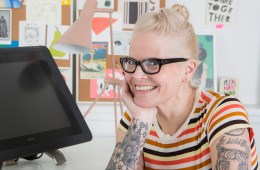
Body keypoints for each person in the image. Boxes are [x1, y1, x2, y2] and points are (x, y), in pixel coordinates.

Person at [106, 4, 259, 170]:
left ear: (188, 70)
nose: (136, 75)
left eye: (152, 63)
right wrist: (141, 121)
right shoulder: (134, 121)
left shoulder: (223, 113)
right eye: (132, 62)